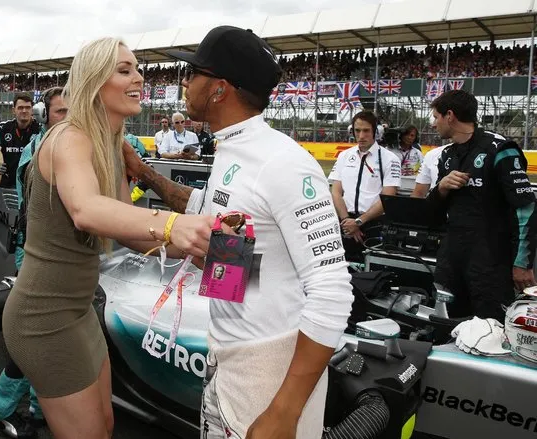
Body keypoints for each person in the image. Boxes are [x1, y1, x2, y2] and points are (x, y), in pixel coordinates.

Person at [123, 25, 353, 439]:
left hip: (269, 372)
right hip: (227, 356)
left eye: (193, 73)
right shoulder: (233, 147)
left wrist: (285, 411)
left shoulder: (282, 162)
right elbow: (222, 227)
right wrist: (143, 175)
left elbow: (333, 291)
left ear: (219, 89)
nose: (185, 83)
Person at [1, 37, 215, 439]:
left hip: (80, 311)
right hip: (43, 318)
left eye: (136, 68)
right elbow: (86, 211)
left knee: (105, 427)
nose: (139, 77)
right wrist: (174, 225)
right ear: (93, 81)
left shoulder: (109, 146)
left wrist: (194, 247)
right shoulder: (70, 137)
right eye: (125, 70)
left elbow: (127, 229)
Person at [0, 87, 67, 439]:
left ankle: (37, 407)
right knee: (36, 336)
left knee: (52, 337)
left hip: (64, 257)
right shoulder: (41, 150)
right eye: (60, 111)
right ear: (46, 116)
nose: (68, 117)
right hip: (36, 250)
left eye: (72, 111)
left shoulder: (71, 145)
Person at [427, 90, 537, 322]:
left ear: (450, 116)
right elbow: (432, 209)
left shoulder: (500, 149)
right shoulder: (447, 155)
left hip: (490, 262)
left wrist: (521, 263)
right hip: (451, 260)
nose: (434, 124)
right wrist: (442, 187)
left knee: (491, 329)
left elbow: (525, 209)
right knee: (447, 325)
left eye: (436, 117)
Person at [328, 111, 401, 262]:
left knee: (371, 273)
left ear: (375, 131)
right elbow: (335, 191)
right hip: (345, 223)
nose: (361, 136)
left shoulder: (390, 159)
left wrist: (359, 222)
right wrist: (347, 221)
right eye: (357, 130)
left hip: (373, 225)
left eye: (366, 130)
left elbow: (388, 197)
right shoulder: (344, 156)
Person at [0, 93, 41, 188]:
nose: (24, 111)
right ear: (13, 110)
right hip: (8, 185)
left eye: (28, 107)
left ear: (32, 110)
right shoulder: (3, 129)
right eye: (20, 108)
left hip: (33, 186)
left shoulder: (41, 130)